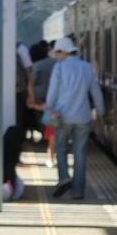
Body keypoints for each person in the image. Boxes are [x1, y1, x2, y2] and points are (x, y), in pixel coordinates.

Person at [44, 37, 104, 200]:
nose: (55, 55)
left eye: (57, 52)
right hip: (83, 117)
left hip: (62, 116)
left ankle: (64, 178)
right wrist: (100, 111)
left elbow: (52, 93)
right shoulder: (86, 67)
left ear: (64, 52)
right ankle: (78, 191)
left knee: (61, 148)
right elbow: (95, 91)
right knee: (80, 153)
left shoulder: (59, 68)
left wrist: (49, 108)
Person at [26, 41, 56, 165]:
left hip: (41, 98)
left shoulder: (37, 65)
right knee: (53, 128)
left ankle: (49, 149)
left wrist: (31, 98)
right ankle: (51, 150)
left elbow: (31, 83)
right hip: (55, 100)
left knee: (47, 124)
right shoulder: (57, 63)